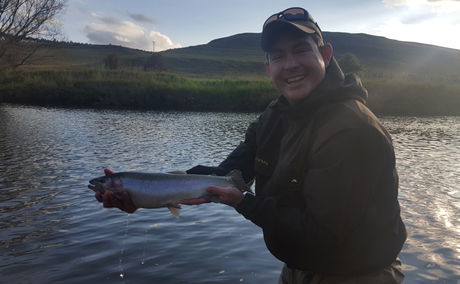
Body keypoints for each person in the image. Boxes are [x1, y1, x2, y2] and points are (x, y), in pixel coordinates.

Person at [95, 7, 407, 283]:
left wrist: (243, 202)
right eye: (278, 56)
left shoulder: (350, 130)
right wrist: (149, 193)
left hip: (357, 275)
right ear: (268, 68)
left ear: (325, 55)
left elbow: (323, 234)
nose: (290, 65)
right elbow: (232, 171)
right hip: (300, 269)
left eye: (301, 50)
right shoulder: (276, 115)